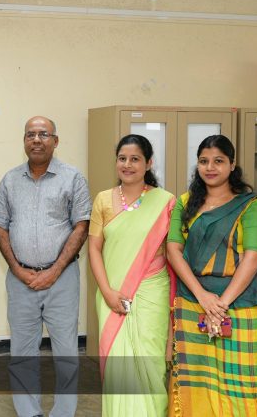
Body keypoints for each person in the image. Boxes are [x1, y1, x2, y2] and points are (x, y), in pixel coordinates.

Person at [0, 116, 91, 417]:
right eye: (30, 134)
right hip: (20, 279)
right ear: (23, 141)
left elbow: (81, 227)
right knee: (22, 352)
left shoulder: (73, 178)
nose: (36, 140)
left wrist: (54, 270)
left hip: (62, 279)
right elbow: (0, 227)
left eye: (43, 134)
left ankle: (63, 413)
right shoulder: (10, 180)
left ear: (55, 141)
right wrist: (18, 269)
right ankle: (29, 412)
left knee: (66, 352)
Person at [166, 135, 257, 417]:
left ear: (232, 165)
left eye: (218, 161)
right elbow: (173, 250)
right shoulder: (185, 202)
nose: (210, 167)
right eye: (204, 161)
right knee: (195, 381)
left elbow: (253, 257)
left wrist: (220, 305)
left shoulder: (250, 205)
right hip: (193, 302)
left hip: (240, 305)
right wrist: (203, 297)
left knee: (240, 385)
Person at [87, 134, 175, 416]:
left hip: (151, 294)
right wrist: (107, 292)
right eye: (122, 158)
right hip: (111, 294)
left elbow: (173, 253)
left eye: (135, 159)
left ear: (148, 163)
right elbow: (94, 248)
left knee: (150, 363)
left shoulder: (166, 202)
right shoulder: (103, 200)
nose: (127, 164)